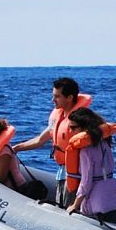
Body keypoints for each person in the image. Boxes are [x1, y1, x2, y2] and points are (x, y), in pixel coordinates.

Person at [14, 77, 92, 207]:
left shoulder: (81, 121)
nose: (52, 100)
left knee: (69, 208)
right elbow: (40, 140)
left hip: (76, 174)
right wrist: (16, 148)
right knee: (60, 205)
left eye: (57, 97)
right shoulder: (58, 117)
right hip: (62, 172)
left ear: (69, 97)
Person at [65, 108, 116, 224]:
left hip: (98, 205)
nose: (71, 131)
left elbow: (86, 181)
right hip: (114, 199)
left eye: (73, 128)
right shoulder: (104, 142)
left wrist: (75, 205)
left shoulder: (85, 150)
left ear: (84, 127)